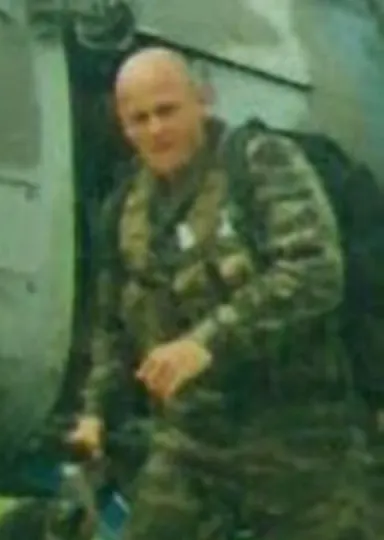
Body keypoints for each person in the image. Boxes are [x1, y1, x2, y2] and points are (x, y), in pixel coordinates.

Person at [68, 46, 369, 540]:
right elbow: (113, 327)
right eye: (139, 119)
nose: (156, 129)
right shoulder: (126, 209)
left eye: (167, 111)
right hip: (192, 443)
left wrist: (206, 343)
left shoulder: (259, 163)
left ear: (202, 100)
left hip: (300, 438)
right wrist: (95, 414)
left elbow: (314, 270)